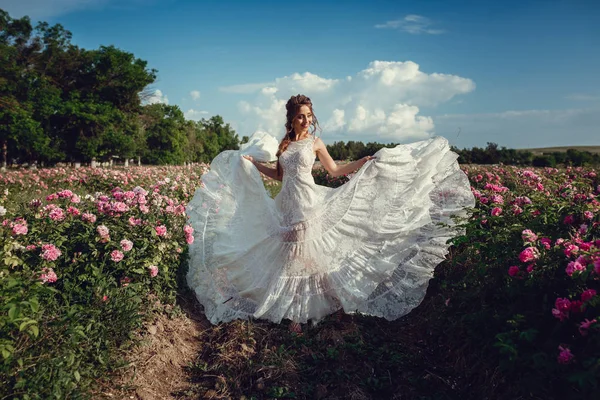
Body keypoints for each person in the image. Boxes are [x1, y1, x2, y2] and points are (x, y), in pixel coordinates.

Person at [186, 94, 474, 333]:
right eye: (302, 116)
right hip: (286, 204)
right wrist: (253, 165)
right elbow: (278, 174)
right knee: (299, 257)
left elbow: (334, 170)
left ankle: (300, 316)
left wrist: (361, 162)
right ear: (291, 118)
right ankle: (328, 302)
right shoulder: (284, 144)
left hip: (308, 203)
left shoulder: (315, 143)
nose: (307, 120)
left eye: (309, 116)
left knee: (298, 258)